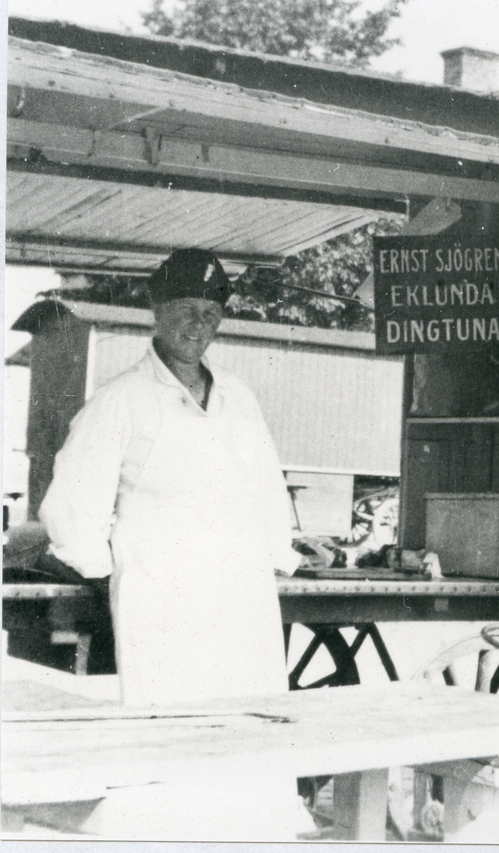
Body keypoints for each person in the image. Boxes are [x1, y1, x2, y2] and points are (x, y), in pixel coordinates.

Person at [39, 248, 310, 839]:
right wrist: (108, 569)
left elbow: (267, 486)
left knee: (249, 722)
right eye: (186, 309)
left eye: (211, 314)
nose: (198, 325)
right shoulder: (121, 399)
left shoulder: (238, 397)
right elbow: (72, 503)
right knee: (168, 733)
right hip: (162, 599)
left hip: (239, 593)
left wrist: (278, 554)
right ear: (156, 310)